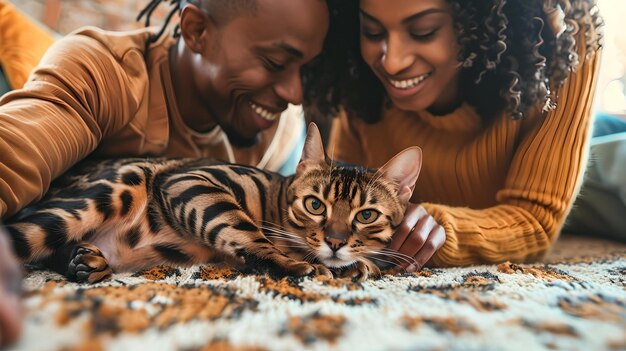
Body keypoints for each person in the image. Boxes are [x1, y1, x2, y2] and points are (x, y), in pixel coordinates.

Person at [0, 0, 329, 345]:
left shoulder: (267, 131)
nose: (294, 94)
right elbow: (14, 155)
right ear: (198, 31)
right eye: (274, 62)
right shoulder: (105, 71)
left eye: (307, 70)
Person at [302, 0, 615, 270]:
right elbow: (342, 192)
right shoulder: (360, 73)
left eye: (423, 31)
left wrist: (439, 227)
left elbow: (535, 221)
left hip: (578, 139)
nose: (392, 62)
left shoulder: (563, 39)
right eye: (372, 32)